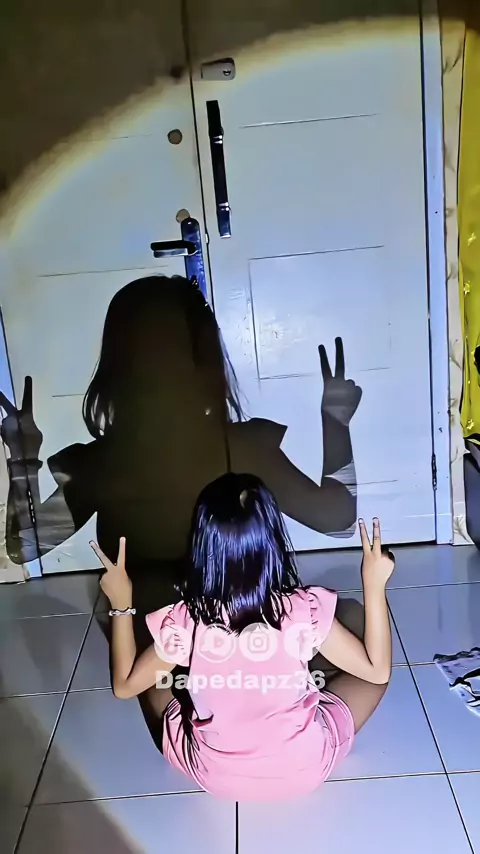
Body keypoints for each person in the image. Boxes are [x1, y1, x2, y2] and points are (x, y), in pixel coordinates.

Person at [0, 275, 362, 572]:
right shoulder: (242, 451)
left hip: (143, 636)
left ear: (119, 365)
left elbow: (25, 547)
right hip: (232, 632)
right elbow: (338, 520)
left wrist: (21, 461)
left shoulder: (101, 466)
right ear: (205, 361)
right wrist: (336, 421)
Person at [91, 473, 394, 801]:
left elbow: (125, 686)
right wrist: (374, 583)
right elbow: (377, 671)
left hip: (216, 778)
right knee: (370, 678)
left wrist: (121, 602)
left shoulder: (186, 620)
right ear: (272, 539)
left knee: (153, 681)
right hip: (304, 770)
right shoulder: (302, 609)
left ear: (201, 544)